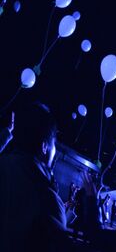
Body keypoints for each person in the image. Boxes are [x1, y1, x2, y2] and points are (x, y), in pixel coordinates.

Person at [0, 103, 75, 251]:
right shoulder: (45, 196)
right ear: (44, 147)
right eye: (54, 143)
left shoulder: (4, 165)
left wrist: (6, 134)